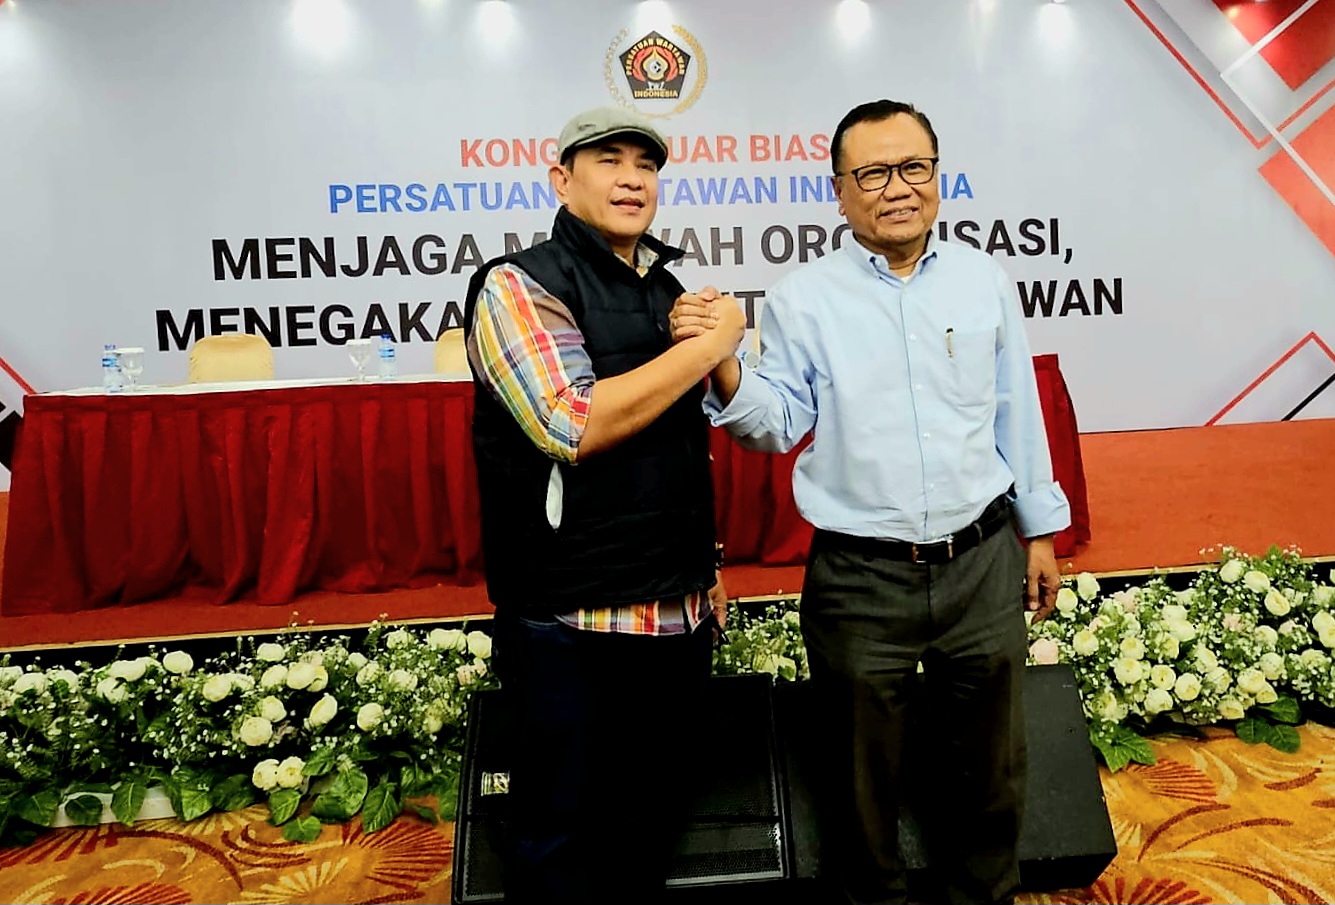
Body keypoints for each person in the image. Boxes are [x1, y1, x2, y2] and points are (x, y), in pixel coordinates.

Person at [670, 99, 1070, 905]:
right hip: (859, 577)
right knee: (860, 781)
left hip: (981, 561)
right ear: (840, 191)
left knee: (989, 770)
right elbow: (774, 424)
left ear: (937, 175)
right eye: (874, 173)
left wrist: (1038, 532)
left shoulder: (982, 280)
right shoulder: (803, 298)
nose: (897, 188)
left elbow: (1015, 409)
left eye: (913, 167)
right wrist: (721, 360)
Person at [462, 106, 746, 903]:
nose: (631, 179)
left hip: (674, 610)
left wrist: (704, 565)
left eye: (645, 165)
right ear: (561, 179)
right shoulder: (518, 284)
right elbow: (571, 422)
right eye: (609, 160)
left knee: (648, 826)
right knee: (560, 834)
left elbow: (681, 446)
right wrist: (710, 344)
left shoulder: (667, 290)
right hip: (571, 620)